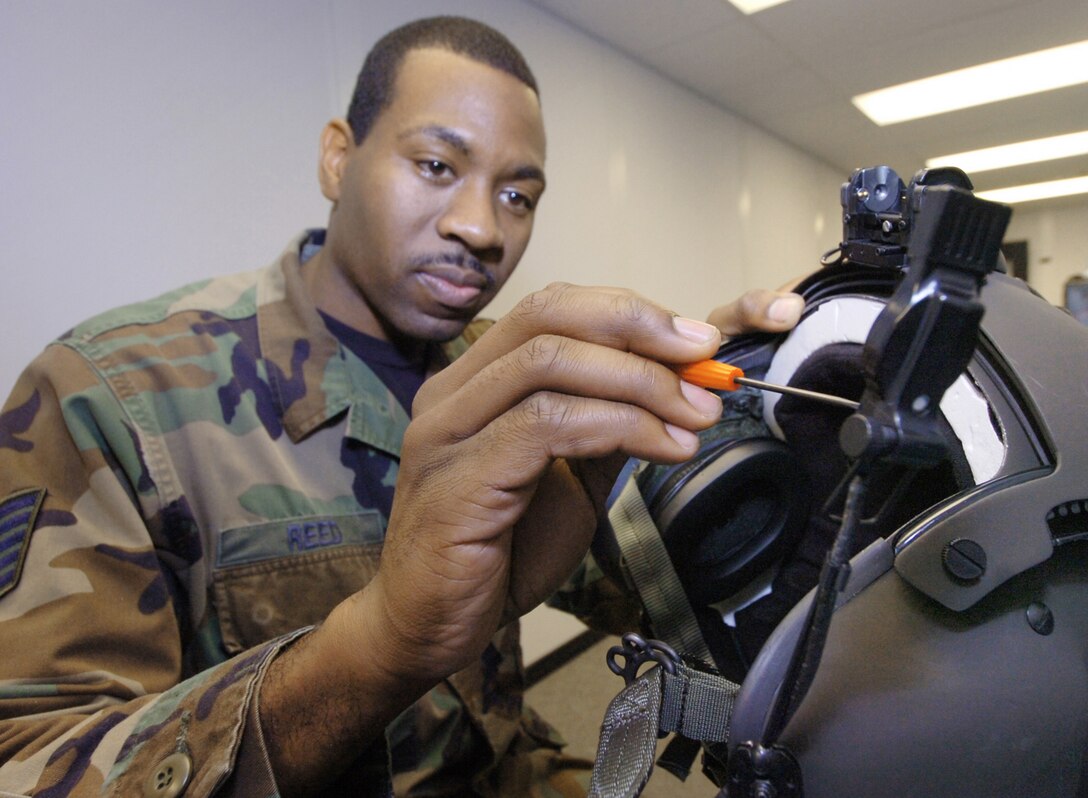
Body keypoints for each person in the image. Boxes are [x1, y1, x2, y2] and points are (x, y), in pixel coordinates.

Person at [0, 16, 803, 797]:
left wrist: (737, 449)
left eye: (518, 195)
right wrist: (377, 649)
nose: (481, 228)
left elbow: (622, 583)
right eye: (434, 166)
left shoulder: (505, 373)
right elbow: (28, 761)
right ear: (337, 159)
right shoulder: (108, 396)